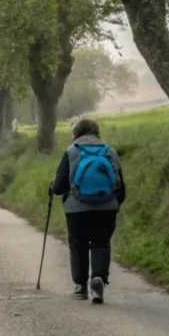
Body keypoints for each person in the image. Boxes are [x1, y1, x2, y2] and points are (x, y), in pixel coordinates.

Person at [49, 118, 126, 304]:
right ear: (96, 132)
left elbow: (59, 186)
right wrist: (115, 204)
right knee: (101, 242)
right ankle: (98, 278)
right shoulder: (110, 151)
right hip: (106, 207)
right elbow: (120, 186)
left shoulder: (72, 152)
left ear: (76, 134)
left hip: (76, 209)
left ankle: (80, 287)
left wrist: (52, 188)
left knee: (78, 244)